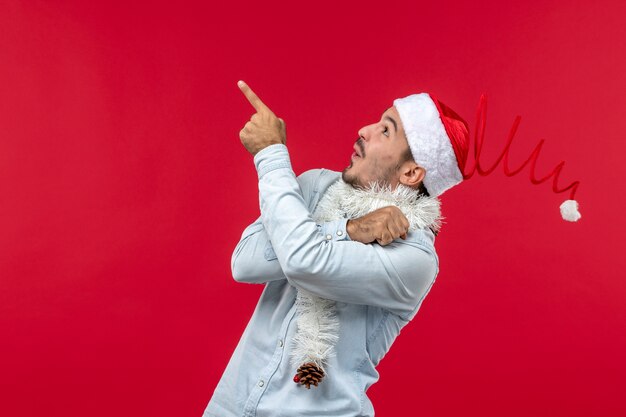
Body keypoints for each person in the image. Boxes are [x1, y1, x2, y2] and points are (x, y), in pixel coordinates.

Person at [202, 80, 581, 417]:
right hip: (231, 406)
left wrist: (271, 155)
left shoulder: (413, 257)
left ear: (412, 173)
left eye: (386, 130)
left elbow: (304, 261)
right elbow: (244, 262)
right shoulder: (315, 185)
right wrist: (348, 228)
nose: (364, 130)